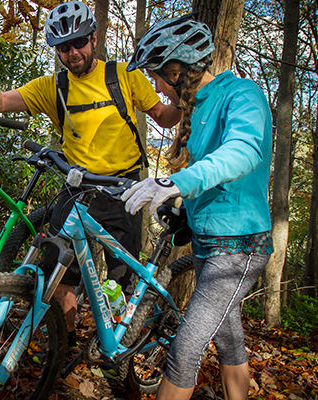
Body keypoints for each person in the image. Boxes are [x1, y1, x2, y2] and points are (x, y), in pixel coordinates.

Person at [0, 0, 184, 352]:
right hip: (76, 190)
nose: (72, 52)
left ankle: (119, 350)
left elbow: (164, 117)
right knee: (59, 275)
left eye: (78, 43)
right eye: (63, 47)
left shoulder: (124, 76)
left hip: (125, 189)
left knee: (123, 280)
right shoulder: (53, 87)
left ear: (93, 38)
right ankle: (65, 346)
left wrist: (188, 91)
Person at [122, 14, 272, 400]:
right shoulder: (198, 109)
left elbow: (242, 152)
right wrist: (183, 211)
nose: (155, 86)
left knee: (184, 350)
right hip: (210, 242)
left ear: (178, 70)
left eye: (156, 75)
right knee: (228, 338)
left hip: (240, 246)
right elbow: (213, 180)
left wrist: (177, 182)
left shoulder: (242, 94)